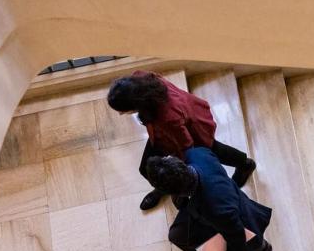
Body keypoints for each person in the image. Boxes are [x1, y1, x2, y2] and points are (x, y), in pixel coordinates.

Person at [108, 71, 256, 210]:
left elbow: (187, 147)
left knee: (209, 149)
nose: (121, 114)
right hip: (179, 120)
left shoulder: (167, 119)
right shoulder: (141, 77)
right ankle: (162, 187)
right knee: (145, 168)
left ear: (137, 103)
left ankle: (245, 164)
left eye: (122, 110)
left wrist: (180, 180)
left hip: (190, 129)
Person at [145, 147, 273, 251]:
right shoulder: (196, 154)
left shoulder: (218, 210)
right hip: (209, 207)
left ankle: (261, 250)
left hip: (238, 218)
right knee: (176, 235)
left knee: (252, 242)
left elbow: (238, 238)